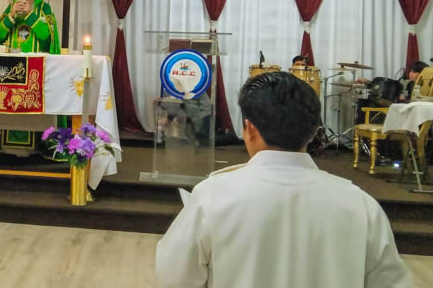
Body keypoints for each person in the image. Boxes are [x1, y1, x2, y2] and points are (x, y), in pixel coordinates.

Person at [155, 72, 412, 288]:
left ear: (249, 129)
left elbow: (174, 278)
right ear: (314, 131)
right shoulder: (361, 205)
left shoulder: (212, 195)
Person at [0, 0, 62, 162]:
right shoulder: (10, 9)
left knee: (31, 105)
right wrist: (10, 17)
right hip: (10, 67)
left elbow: (47, 37)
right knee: (8, 102)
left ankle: (38, 146)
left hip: (36, 68)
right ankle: (6, 147)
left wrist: (30, 15)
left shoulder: (44, 10)